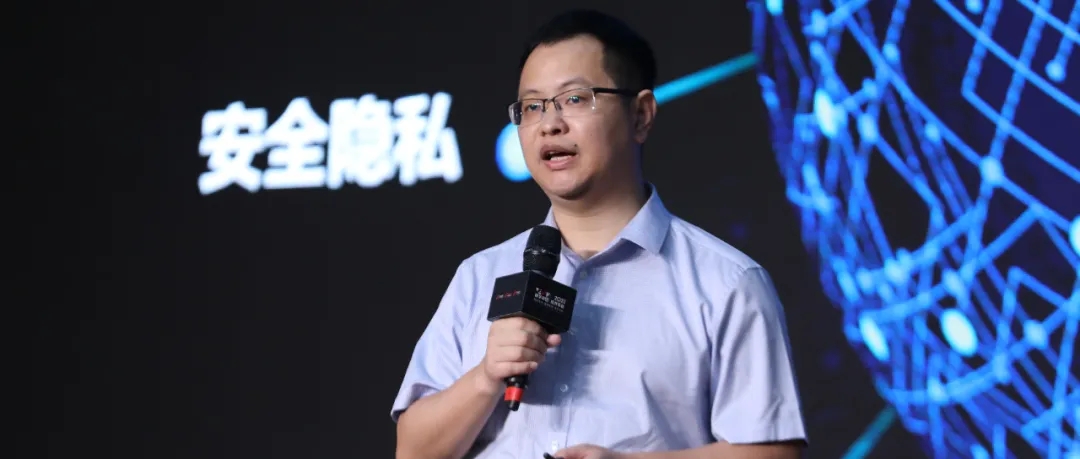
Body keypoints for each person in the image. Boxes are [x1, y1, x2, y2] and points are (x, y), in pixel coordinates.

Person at [391, 9, 808, 459]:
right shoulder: (479, 275)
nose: (549, 124)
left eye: (574, 99)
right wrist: (486, 375)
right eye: (532, 107)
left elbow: (772, 453)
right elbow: (412, 451)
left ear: (641, 115)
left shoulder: (726, 283)